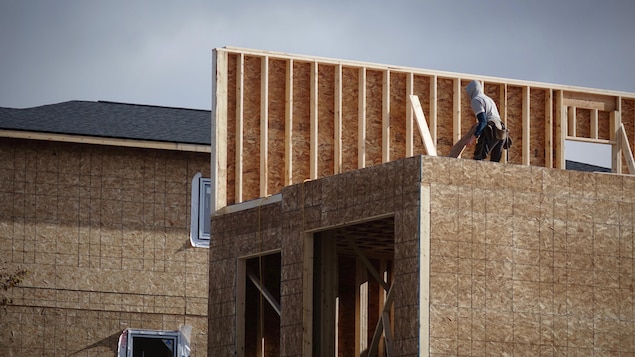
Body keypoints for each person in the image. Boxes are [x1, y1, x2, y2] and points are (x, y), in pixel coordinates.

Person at [465, 80, 510, 161]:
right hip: (502, 131)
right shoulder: (488, 99)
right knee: (495, 162)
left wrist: (472, 139)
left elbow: (483, 121)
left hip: (492, 129)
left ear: (472, 91)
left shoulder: (476, 100)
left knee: (478, 158)